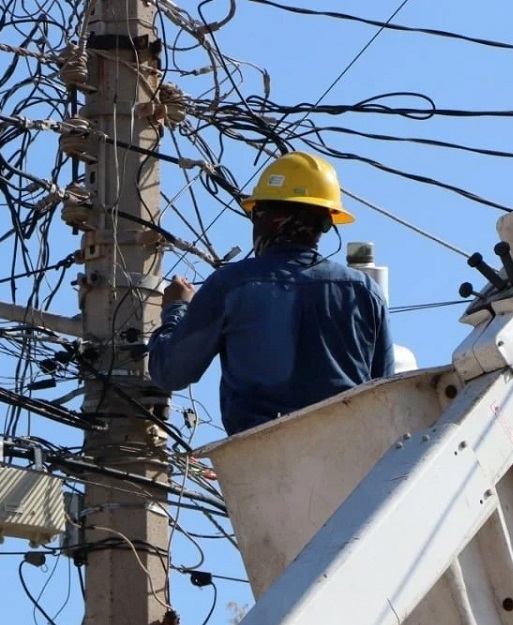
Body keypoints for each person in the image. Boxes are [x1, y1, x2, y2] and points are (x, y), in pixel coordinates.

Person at [148, 151, 395, 435]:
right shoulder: (364, 292)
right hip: (349, 463)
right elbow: (384, 397)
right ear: (326, 224)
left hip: (261, 459)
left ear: (267, 218)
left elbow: (171, 372)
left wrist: (177, 309)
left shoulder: (231, 285)